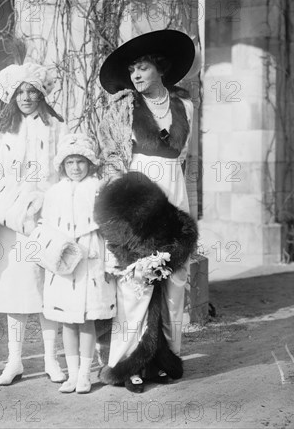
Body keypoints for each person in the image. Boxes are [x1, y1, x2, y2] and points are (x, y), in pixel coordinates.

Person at [97, 29, 196, 393]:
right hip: (138, 197)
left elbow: (182, 158)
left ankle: (166, 358)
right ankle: (126, 364)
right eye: (132, 70)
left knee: (174, 280)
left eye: (142, 67)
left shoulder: (185, 105)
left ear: (160, 68)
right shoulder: (123, 107)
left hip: (175, 196)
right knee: (136, 281)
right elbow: (111, 160)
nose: (136, 76)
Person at [0, 62, 68, 386]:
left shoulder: (56, 127)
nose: (27, 97)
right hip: (14, 218)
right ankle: (14, 360)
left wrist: (45, 197)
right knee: (15, 290)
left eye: (33, 91)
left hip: (47, 216)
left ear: (42, 94)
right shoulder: (4, 130)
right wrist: (13, 196)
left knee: (49, 285)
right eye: (21, 92)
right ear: (12, 95)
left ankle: (51, 358)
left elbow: (66, 168)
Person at [39, 133, 117, 394]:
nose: (75, 167)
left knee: (87, 320)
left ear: (90, 163)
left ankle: (85, 374)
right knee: (67, 321)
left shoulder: (99, 189)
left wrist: (109, 263)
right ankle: (72, 375)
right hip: (63, 261)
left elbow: (109, 229)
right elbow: (46, 228)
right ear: (62, 166)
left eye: (81, 161)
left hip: (90, 259)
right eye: (70, 162)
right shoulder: (54, 192)